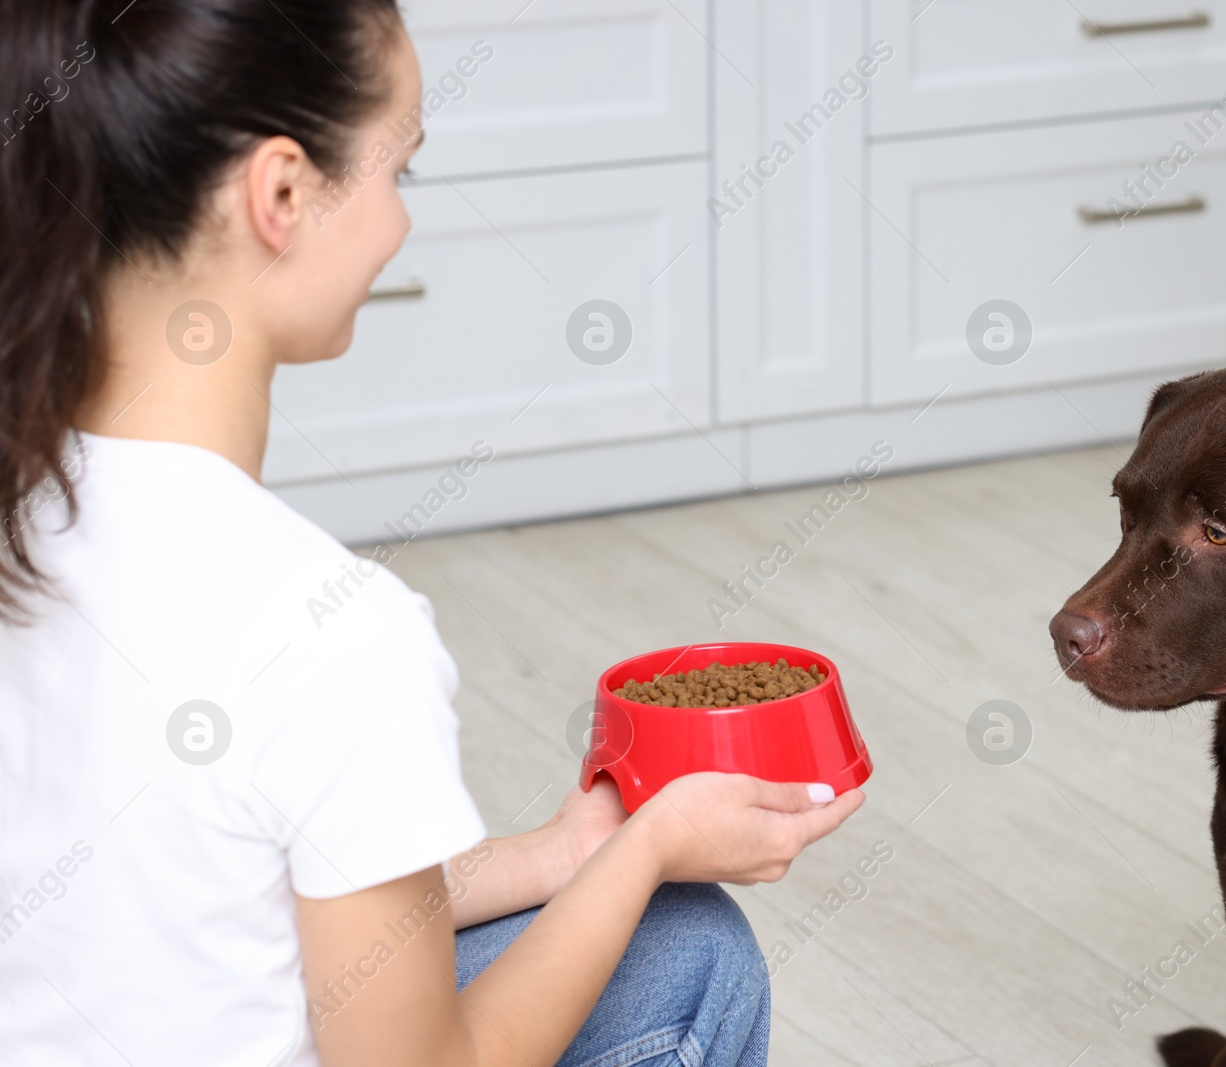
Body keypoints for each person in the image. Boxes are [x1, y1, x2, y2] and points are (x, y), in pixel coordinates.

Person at [0, 3, 865, 1065]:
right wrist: (644, 852)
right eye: (397, 172)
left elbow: (225, 876)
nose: (401, 223)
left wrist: (568, 851)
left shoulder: (26, 511)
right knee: (692, 947)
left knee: (680, 942)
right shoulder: (330, 631)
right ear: (279, 193)